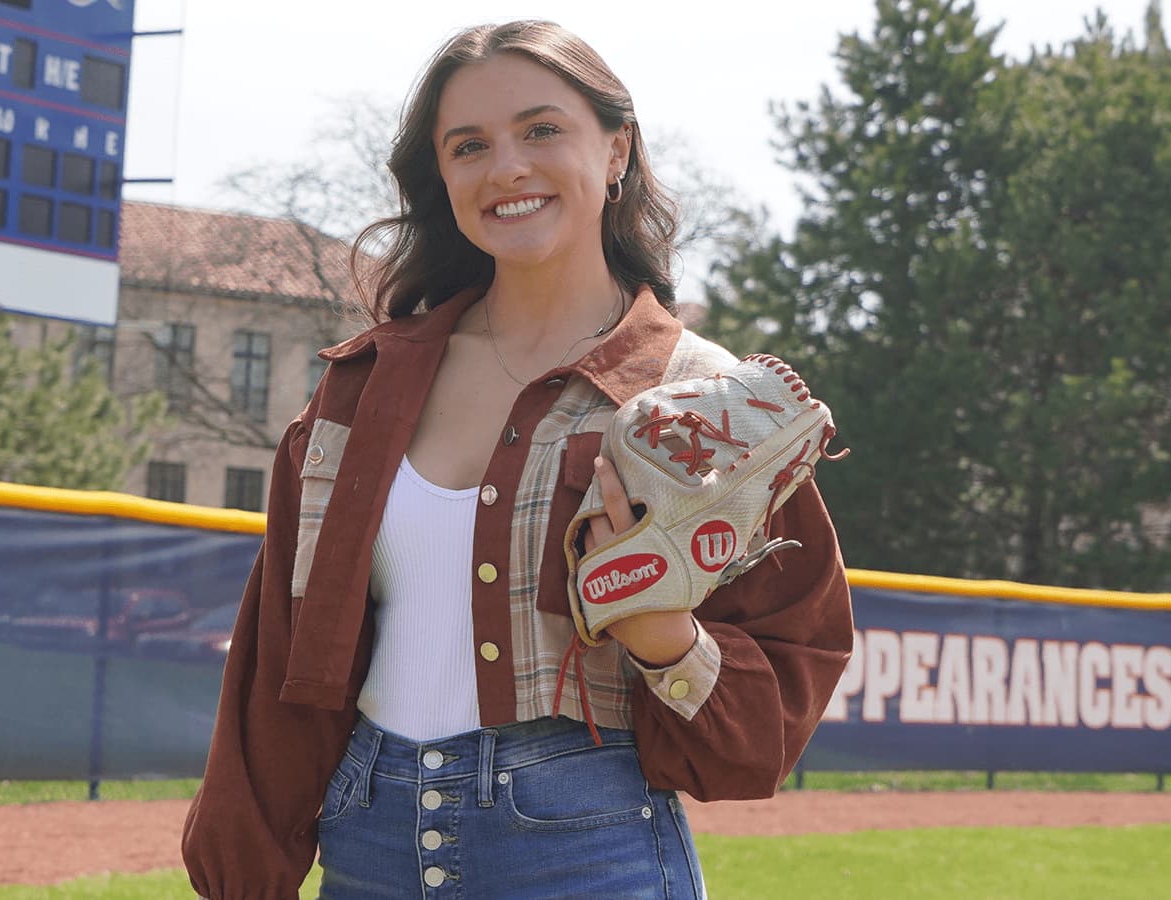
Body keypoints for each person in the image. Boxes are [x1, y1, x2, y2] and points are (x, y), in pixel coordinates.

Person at [182, 20, 854, 899]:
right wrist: (245, 871)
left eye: (541, 130)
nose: (506, 168)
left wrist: (666, 642)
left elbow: (783, 691)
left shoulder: (712, 404)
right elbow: (280, 662)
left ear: (616, 151)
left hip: (585, 846)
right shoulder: (362, 387)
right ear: (444, 176)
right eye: (470, 146)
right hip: (370, 837)